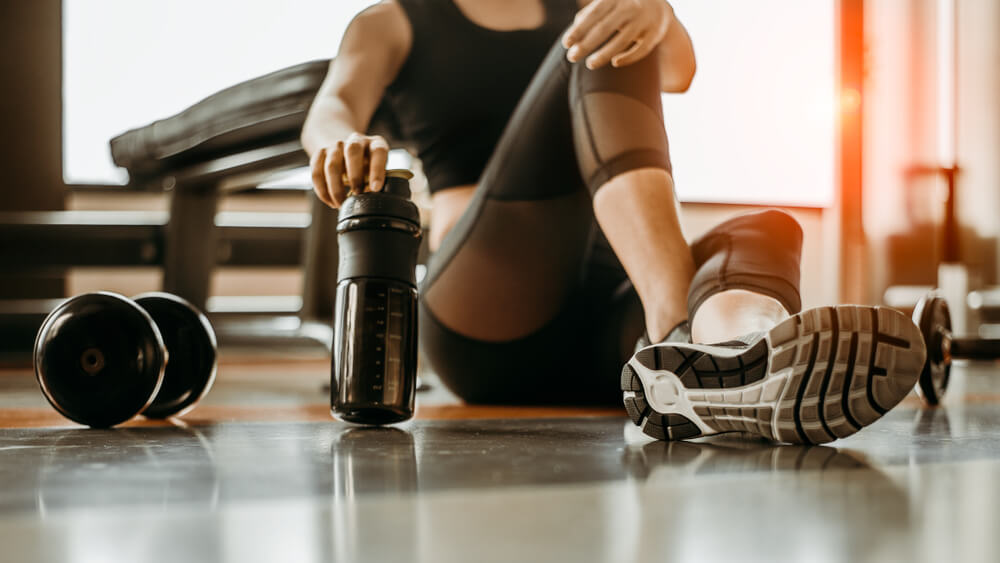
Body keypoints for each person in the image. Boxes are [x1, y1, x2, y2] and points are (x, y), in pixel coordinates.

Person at [301, 0, 927, 443]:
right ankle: (679, 330)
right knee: (601, 37)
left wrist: (659, 11)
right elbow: (332, 107)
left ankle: (741, 354)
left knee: (765, 229)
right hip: (490, 309)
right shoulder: (394, 19)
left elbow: (678, 69)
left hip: (611, 324)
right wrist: (337, 143)